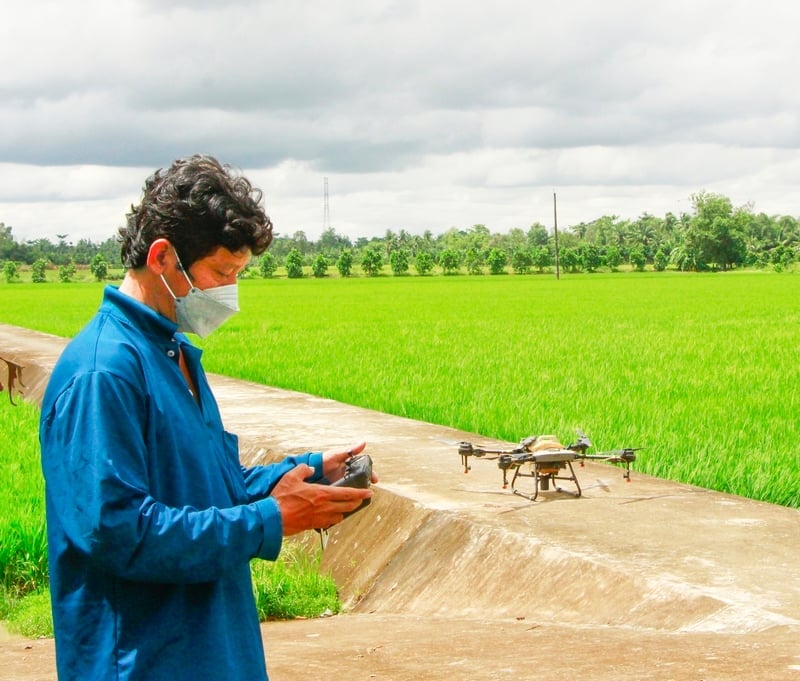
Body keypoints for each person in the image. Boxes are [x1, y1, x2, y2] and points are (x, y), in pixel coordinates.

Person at [39, 154, 375, 681]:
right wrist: (271, 519)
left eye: (237, 275)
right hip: (143, 661)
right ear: (163, 257)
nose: (228, 293)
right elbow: (120, 531)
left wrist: (307, 471)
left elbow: (208, 486)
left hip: (211, 651)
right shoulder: (105, 371)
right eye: (221, 272)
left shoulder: (171, 356)